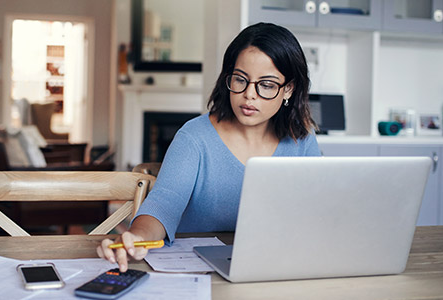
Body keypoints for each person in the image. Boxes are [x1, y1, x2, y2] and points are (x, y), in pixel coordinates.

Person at [97, 22, 321, 271]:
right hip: (198, 272)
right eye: (240, 80)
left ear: (288, 89)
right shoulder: (194, 137)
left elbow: (318, 211)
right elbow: (163, 204)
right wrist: (137, 237)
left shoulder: (302, 139)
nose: (249, 94)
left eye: (266, 85)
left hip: (273, 267)